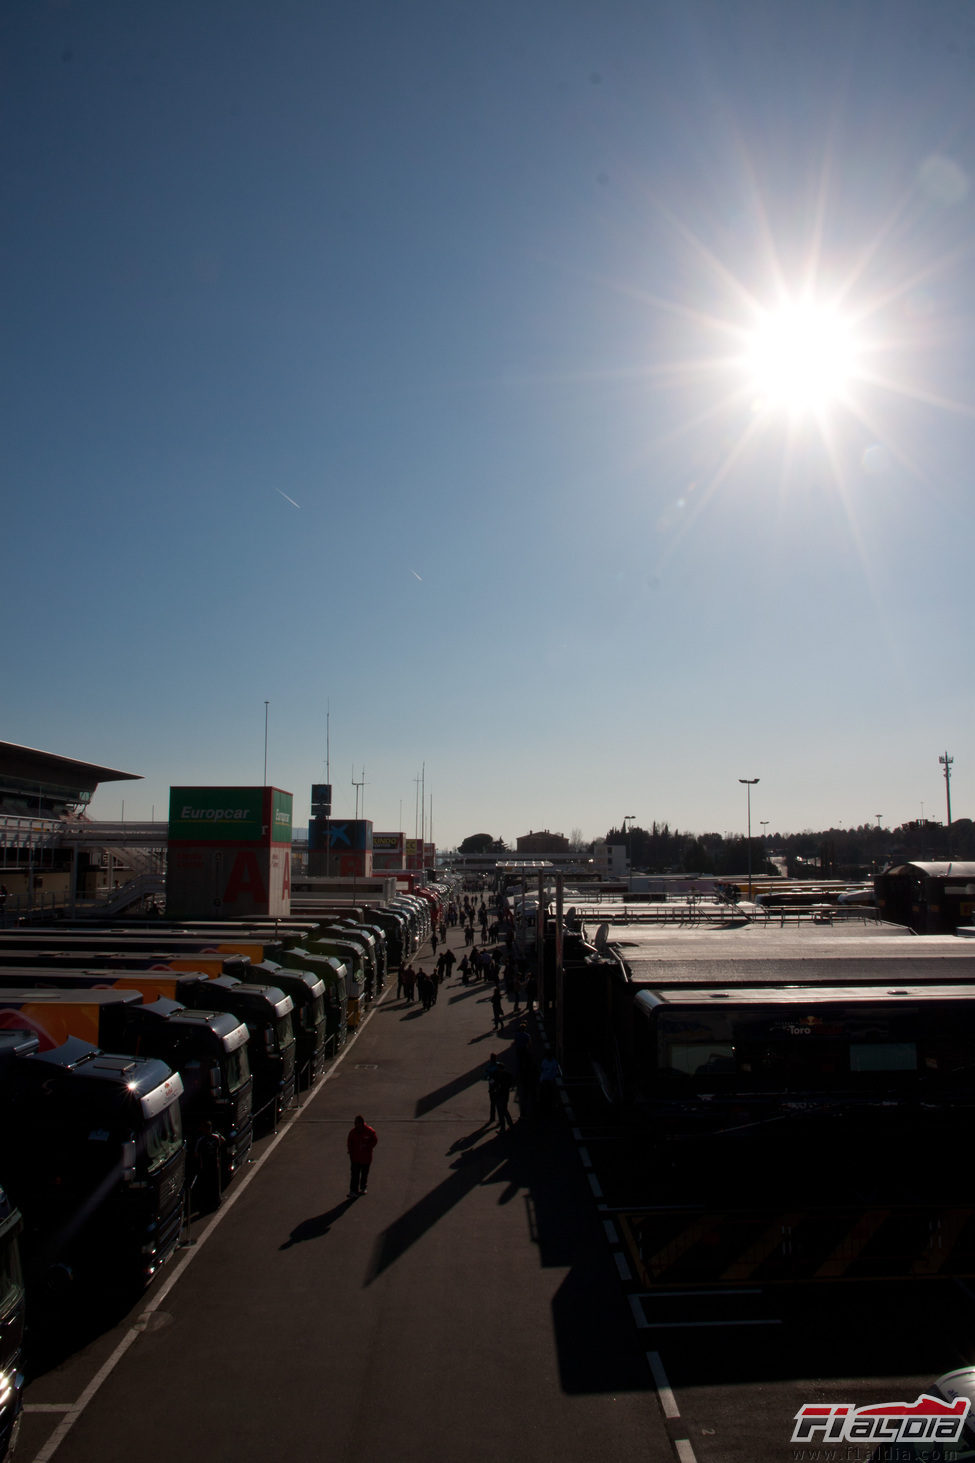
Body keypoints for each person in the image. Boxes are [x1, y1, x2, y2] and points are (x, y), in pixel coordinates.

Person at [193, 1120, 225, 1212]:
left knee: (211, 1184)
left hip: (211, 1165)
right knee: (211, 1184)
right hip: (209, 1165)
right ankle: (212, 1202)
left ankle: (213, 1201)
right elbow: (196, 1154)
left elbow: (196, 1154)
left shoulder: (208, 1138)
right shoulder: (210, 1138)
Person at [347, 1114, 378, 1197]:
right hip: (355, 1158)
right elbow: (349, 1142)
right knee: (354, 1175)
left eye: (357, 1124)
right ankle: (353, 1190)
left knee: (364, 1174)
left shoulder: (370, 1131)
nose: (356, 1126)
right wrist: (350, 1151)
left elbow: (374, 1140)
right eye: (355, 1124)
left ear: (362, 1123)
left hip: (366, 1158)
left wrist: (368, 1146)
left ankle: (363, 1187)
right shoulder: (353, 1132)